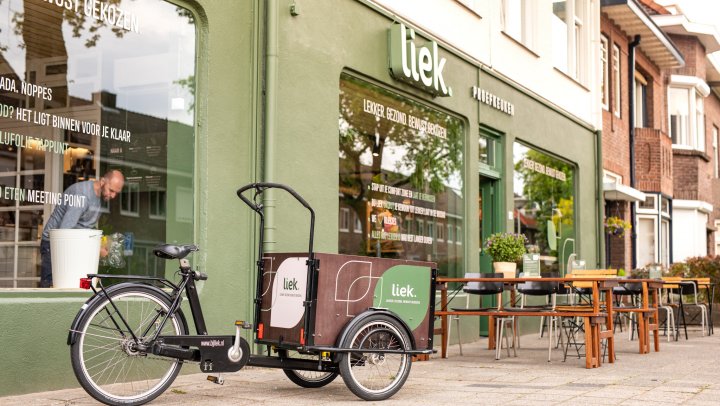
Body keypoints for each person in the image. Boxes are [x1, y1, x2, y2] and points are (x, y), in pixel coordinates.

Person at [39, 170, 125, 288]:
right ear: (102, 181)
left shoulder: (102, 196)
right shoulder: (82, 195)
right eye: (111, 190)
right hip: (54, 244)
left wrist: (99, 244)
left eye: (116, 193)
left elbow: (86, 225)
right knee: (52, 288)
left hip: (74, 244)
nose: (113, 195)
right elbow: (65, 232)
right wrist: (93, 247)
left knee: (76, 286)